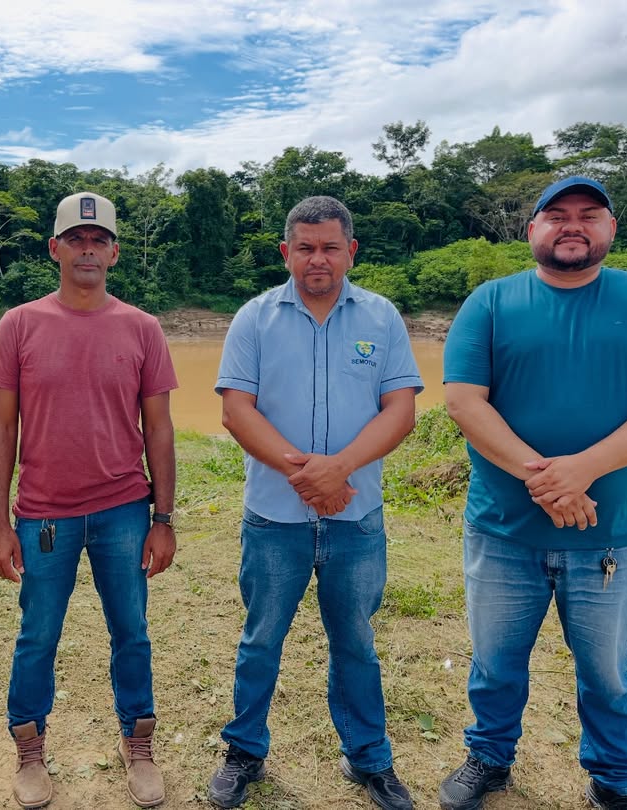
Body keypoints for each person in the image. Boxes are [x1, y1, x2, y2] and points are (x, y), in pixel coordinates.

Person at [439, 176, 627, 810]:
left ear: (612, 229)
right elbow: (464, 402)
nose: (572, 225)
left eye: (589, 214)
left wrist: (582, 469)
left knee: (608, 672)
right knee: (496, 662)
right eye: (556, 215)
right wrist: (547, 477)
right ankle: (489, 756)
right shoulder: (491, 302)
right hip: (503, 530)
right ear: (532, 231)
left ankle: (615, 779)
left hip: (607, 533)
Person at [208, 196, 423, 810]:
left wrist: (340, 470)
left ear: (351, 250)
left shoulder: (382, 319)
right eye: (305, 247)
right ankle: (244, 752)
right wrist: (305, 475)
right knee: (261, 638)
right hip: (275, 518)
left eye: (330, 247)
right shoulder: (254, 318)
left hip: (356, 519)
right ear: (287, 252)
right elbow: (236, 409)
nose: (318, 259)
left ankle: (369, 760)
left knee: (354, 639)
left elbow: (401, 409)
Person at [0, 191, 178, 809]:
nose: (87, 249)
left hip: (124, 508)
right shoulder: (19, 324)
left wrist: (164, 519)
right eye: (76, 239)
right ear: (55, 249)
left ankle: (139, 744)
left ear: (114, 252)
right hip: (42, 513)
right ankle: (30, 751)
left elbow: (161, 428)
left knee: (132, 630)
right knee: (38, 634)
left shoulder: (142, 328)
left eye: (98, 241)